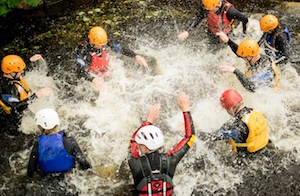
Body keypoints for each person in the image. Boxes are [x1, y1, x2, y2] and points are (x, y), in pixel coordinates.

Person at [128, 92, 195, 195]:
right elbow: (190, 137)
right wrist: (185, 110)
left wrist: (148, 121)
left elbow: (132, 141)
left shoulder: (134, 163)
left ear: (145, 148)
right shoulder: (170, 160)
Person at [76, 26, 148, 91]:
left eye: (103, 45)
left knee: (128, 82)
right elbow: (79, 71)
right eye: (99, 45)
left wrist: (135, 56)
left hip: (105, 71)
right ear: (91, 41)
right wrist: (93, 79)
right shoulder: (83, 50)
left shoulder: (102, 41)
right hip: (91, 76)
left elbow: (121, 49)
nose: (101, 47)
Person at [199, 89, 270, 154]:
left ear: (231, 109)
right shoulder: (256, 112)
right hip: (267, 151)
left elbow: (211, 137)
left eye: (226, 109)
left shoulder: (235, 125)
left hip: (249, 161)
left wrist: (194, 132)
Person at [27, 108, 91, 177]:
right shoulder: (69, 141)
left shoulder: (37, 145)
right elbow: (84, 164)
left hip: (47, 180)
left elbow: (30, 170)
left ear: (40, 128)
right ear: (57, 124)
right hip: (70, 179)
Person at [0, 54, 52, 134]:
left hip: (22, 107)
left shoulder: (10, 75)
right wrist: (37, 95)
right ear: (11, 72)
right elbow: (16, 108)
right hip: (14, 124)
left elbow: (16, 69)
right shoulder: (8, 89)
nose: (22, 71)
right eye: (20, 70)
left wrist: (30, 60)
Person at [178, 0, 248, 44]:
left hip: (226, 35)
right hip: (211, 32)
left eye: (212, 9)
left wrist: (244, 34)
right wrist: (188, 31)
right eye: (209, 9)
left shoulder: (230, 11)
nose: (210, 11)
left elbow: (245, 19)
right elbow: (199, 18)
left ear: (218, 4)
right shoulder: (208, 5)